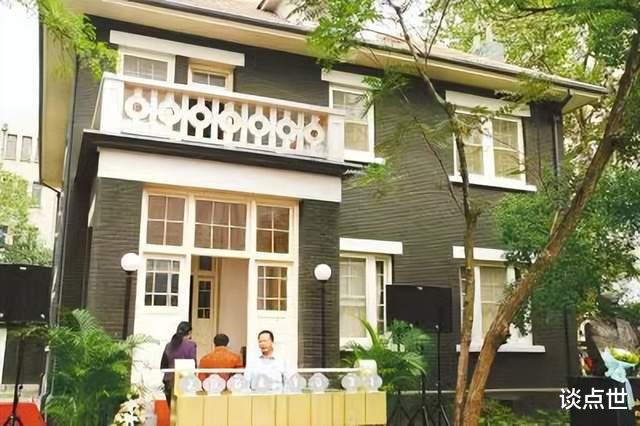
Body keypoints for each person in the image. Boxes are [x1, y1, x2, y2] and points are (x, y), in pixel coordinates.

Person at [161, 321, 197, 405]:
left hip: (169, 381)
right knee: (183, 409)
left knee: (172, 409)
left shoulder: (168, 345)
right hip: (184, 382)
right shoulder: (191, 345)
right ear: (189, 333)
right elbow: (193, 364)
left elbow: (163, 365)